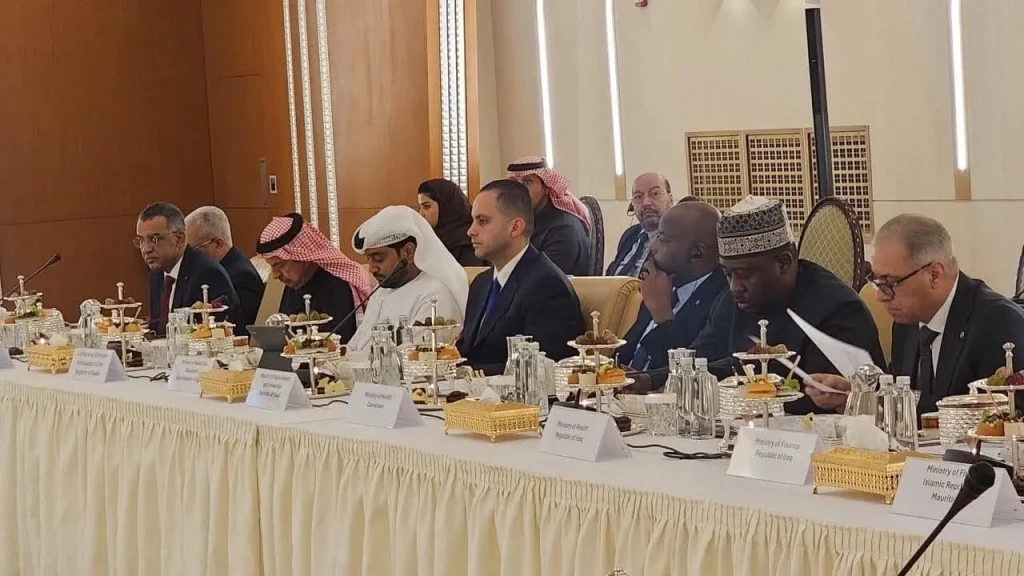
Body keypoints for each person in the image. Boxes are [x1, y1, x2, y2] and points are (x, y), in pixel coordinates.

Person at [806, 214, 1024, 415]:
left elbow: (997, 417)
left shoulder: (998, 323)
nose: (881, 296)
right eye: (877, 282)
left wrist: (880, 401)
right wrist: (855, 395)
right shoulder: (907, 323)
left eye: (890, 283)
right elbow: (904, 397)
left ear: (934, 274)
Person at [686, 196, 885, 415]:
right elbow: (701, 363)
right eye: (728, 274)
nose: (735, 287)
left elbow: (824, 400)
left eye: (745, 275)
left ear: (784, 262)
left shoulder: (838, 309)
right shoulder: (729, 303)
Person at [457, 179, 585, 375]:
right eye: (473, 221)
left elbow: (542, 369)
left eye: (482, 221)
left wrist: (466, 372)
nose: (471, 231)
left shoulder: (547, 286)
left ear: (515, 227)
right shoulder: (481, 283)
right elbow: (468, 351)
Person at [618, 201, 728, 389]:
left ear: (696, 252)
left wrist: (663, 316)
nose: (653, 247)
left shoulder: (723, 300)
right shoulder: (662, 282)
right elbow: (625, 356)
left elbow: (690, 377)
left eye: (662, 239)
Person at [348, 205, 468, 351]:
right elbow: (357, 344)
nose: (372, 268)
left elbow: (418, 355)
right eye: (369, 259)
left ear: (408, 252)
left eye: (379, 259)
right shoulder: (381, 291)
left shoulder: (435, 296)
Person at [256, 213, 373, 342]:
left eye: (279, 265)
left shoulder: (338, 285)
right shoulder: (295, 283)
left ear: (302, 255)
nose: (275, 275)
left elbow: (339, 343)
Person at [136, 202, 239, 335]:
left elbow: (215, 334)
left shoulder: (207, 273)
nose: (146, 249)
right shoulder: (157, 274)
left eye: (154, 239)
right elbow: (156, 329)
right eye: (141, 241)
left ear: (179, 239)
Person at [507, 156, 592, 276]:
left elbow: (538, 279)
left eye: (528, 182)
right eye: (514, 183)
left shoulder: (564, 229)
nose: (519, 189)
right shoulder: (526, 221)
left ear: (546, 187)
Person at [185, 206, 265, 334]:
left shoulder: (242, 275)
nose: (189, 257)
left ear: (218, 244)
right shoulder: (209, 271)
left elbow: (239, 329)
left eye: (194, 250)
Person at [606, 173, 674, 277]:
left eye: (655, 193)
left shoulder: (678, 239)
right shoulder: (630, 235)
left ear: (670, 200)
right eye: (638, 197)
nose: (646, 203)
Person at [417, 178, 485, 266]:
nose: (421, 214)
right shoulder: (429, 239)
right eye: (420, 207)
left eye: (426, 207)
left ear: (445, 207)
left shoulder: (469, 242)